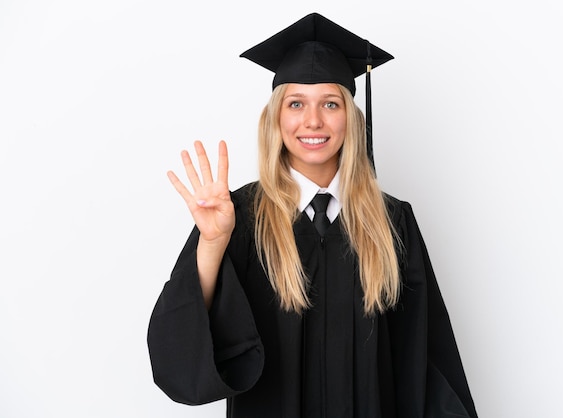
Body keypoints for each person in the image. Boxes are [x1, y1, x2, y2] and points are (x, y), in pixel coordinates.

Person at [147, 12, 478, 418]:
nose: (313, 120)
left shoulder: (393, 223)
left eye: (331, 103)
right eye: (297, 103)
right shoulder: (239, 218)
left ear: (351, 119)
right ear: (276, 119)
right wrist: (213, 244)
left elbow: (425, 358)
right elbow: (181, 356)